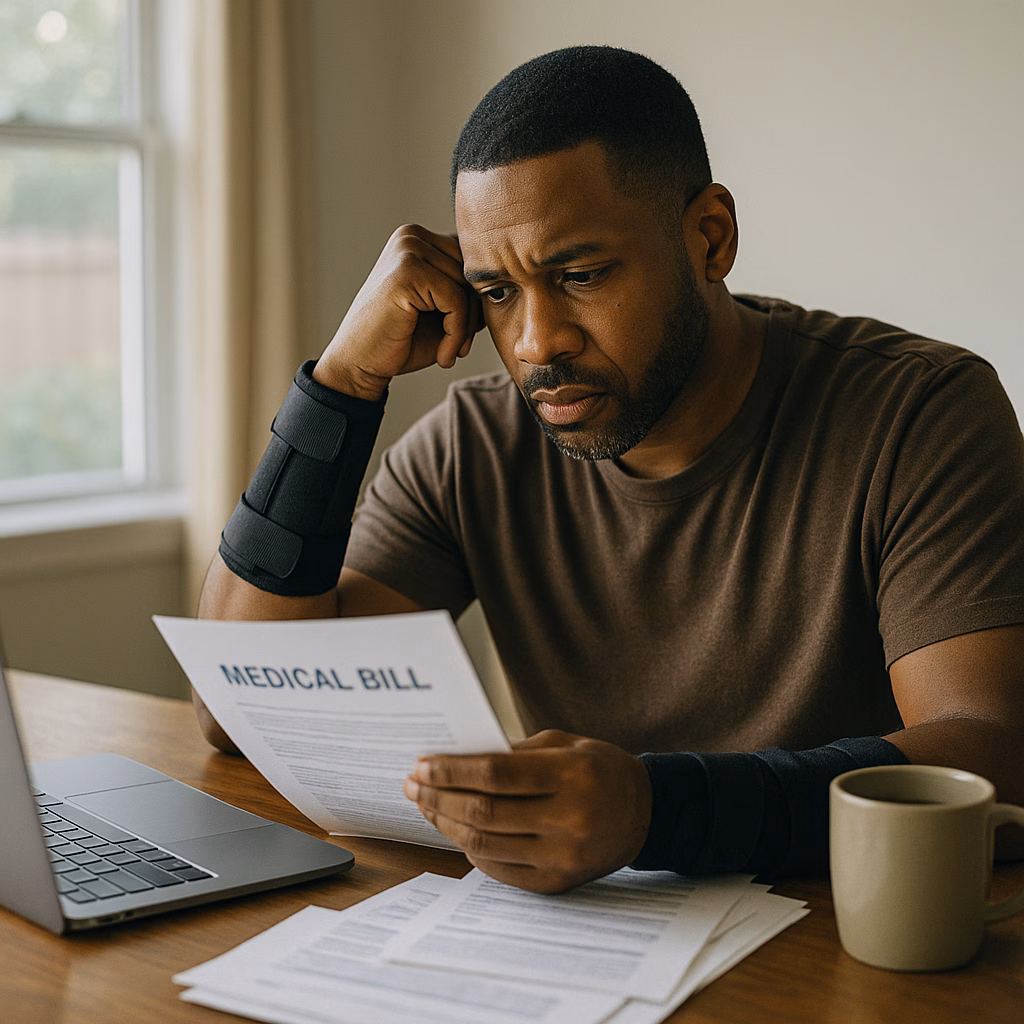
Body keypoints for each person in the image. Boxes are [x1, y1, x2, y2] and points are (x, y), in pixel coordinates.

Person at [198, 46, 1024, 893]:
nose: (534, 342)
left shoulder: (918, 412)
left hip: (851, 938)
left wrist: (655, 812)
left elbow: (990, 748)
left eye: (580, 275)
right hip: (588, 954)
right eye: (498, 291)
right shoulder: (473, 446)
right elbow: (244, 709)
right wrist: (339, 386)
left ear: (710, 237)